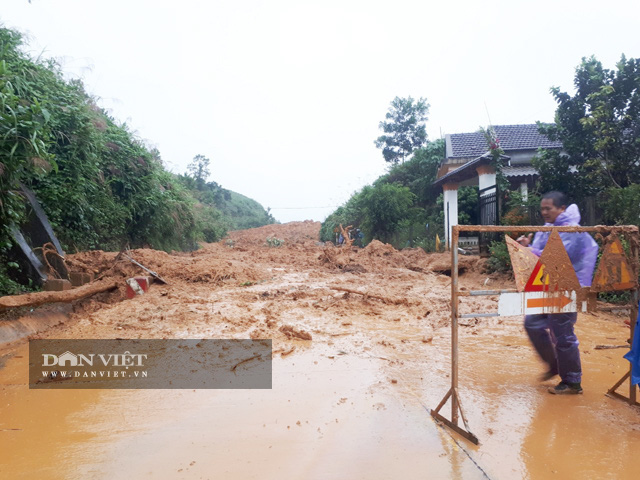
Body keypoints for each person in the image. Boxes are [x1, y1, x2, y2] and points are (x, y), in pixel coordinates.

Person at [517, 191, 598, 394]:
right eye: (542, 208)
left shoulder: (572, 230)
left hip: (568, 286)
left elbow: (559, 257)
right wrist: (527, 247)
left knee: (562, 333)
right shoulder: (546, 229)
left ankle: (572, 382)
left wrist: (529, 251)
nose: (544, 212)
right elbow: (539, 254)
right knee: (532, 323)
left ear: (561, 208)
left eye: (548, 208)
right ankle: (554, 365)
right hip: (548, 286)